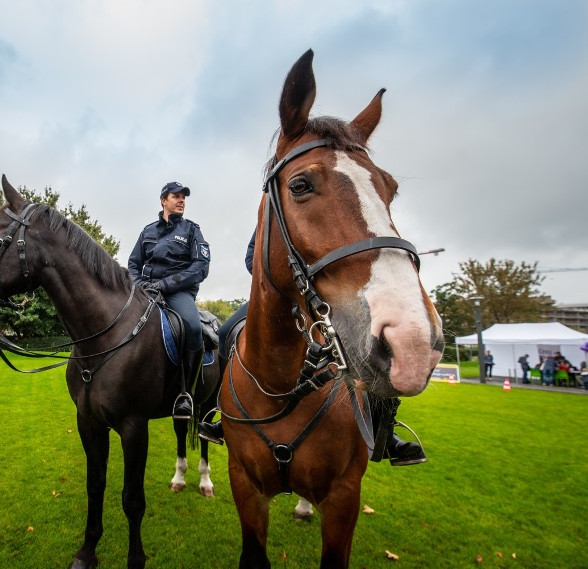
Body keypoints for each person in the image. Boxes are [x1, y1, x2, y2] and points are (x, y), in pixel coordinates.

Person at [198, 231, 427, 466]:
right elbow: (251, 259)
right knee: (226, 332)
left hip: (322, 294)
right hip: (277, 295)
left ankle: (385, 432)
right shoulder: (266, 219)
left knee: (367, 336)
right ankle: (223, 416)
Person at [128, 181, 210, 419]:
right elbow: (133, 264)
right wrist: (141, 284)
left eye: (184, 197)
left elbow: (200, 268)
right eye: (176, 196)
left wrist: (165, 285)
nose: (182, 200)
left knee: (193, 328)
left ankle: (187, 393)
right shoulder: (147, 231)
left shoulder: (192, 230)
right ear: (164, 200)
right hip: (146, 290)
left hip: (178, 292)